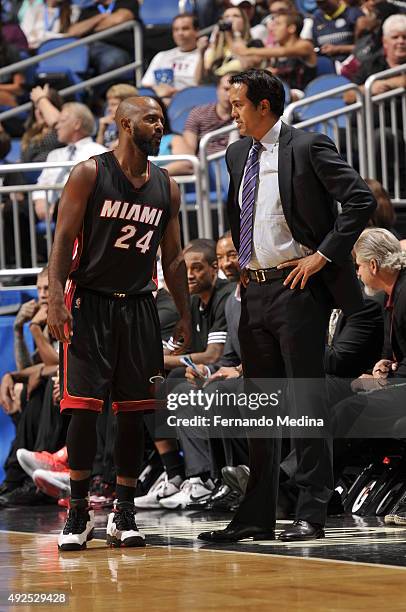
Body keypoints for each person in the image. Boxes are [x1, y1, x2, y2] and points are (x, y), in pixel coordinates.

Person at [198, 68, 376, 544]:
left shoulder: (308, 145)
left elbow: (359, 200)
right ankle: (256, 515)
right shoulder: (238, 153)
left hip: (299, 287)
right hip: (253, 288)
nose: (229, 113)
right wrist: (242, 257)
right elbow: (243, 213)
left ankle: (311, 512)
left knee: (304, 403)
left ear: (263, 106)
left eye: (237, 105)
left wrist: (322, 256)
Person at [47, 95, 191, 551]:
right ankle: (78, 512)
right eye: (151, 119)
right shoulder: (90, 172)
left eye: (162, 120)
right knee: (84, 412)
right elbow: (62, 240)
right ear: (125, 123)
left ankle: (123, 512)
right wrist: (54, 298)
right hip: (89, 302)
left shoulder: (166, 185)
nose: (160, 126)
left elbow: (173, 257)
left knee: (134, 415)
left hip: (140, 307)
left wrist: (185, 314)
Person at [32, 102, 106, 221]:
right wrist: (40, 200)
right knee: (13, 209)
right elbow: (42, 183)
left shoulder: (99, 152)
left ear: (77, 124)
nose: (56, 126)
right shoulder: (54, 155)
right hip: (49, 208)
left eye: (62, 121)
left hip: (80, 210)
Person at [232, 12, 317, 99]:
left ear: (291, 28)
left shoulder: (305, 45)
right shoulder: (275, 51)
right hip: (280, 96)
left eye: (278, 24)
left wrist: (248, 51)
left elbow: (282, 52)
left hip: (304, 96)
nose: (273, 28)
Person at [164, 74, 234, 177]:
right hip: (205, 170)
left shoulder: (245, 117)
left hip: (233, 165)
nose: (229, 95)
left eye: (234, 91)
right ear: (218, 89)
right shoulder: (198, 113)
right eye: (226, 89)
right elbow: (189, 150)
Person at [141, 14, 204, 104]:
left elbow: (204, 87)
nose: (180, 33)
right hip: (162, 103)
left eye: (185, 29)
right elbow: (146, 85)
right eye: (176, 29)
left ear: (197, 31)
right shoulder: (162, 56)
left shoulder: (205, 54)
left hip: (192, 102)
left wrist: (176, 93)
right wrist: (157, 89)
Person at [21, 85, 63, 163]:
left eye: (43, 107)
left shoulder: (60, 132)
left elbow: (59, 123)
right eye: (36, 107)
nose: (39, 111)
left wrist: (41, 98)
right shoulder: (30, 132)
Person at [96, 83, 138, 148]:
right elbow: (97, 152)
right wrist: (101, 132)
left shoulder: (137, 126)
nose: (109, 109)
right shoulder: (109, 123)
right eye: (109, 105)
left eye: (113, 104)